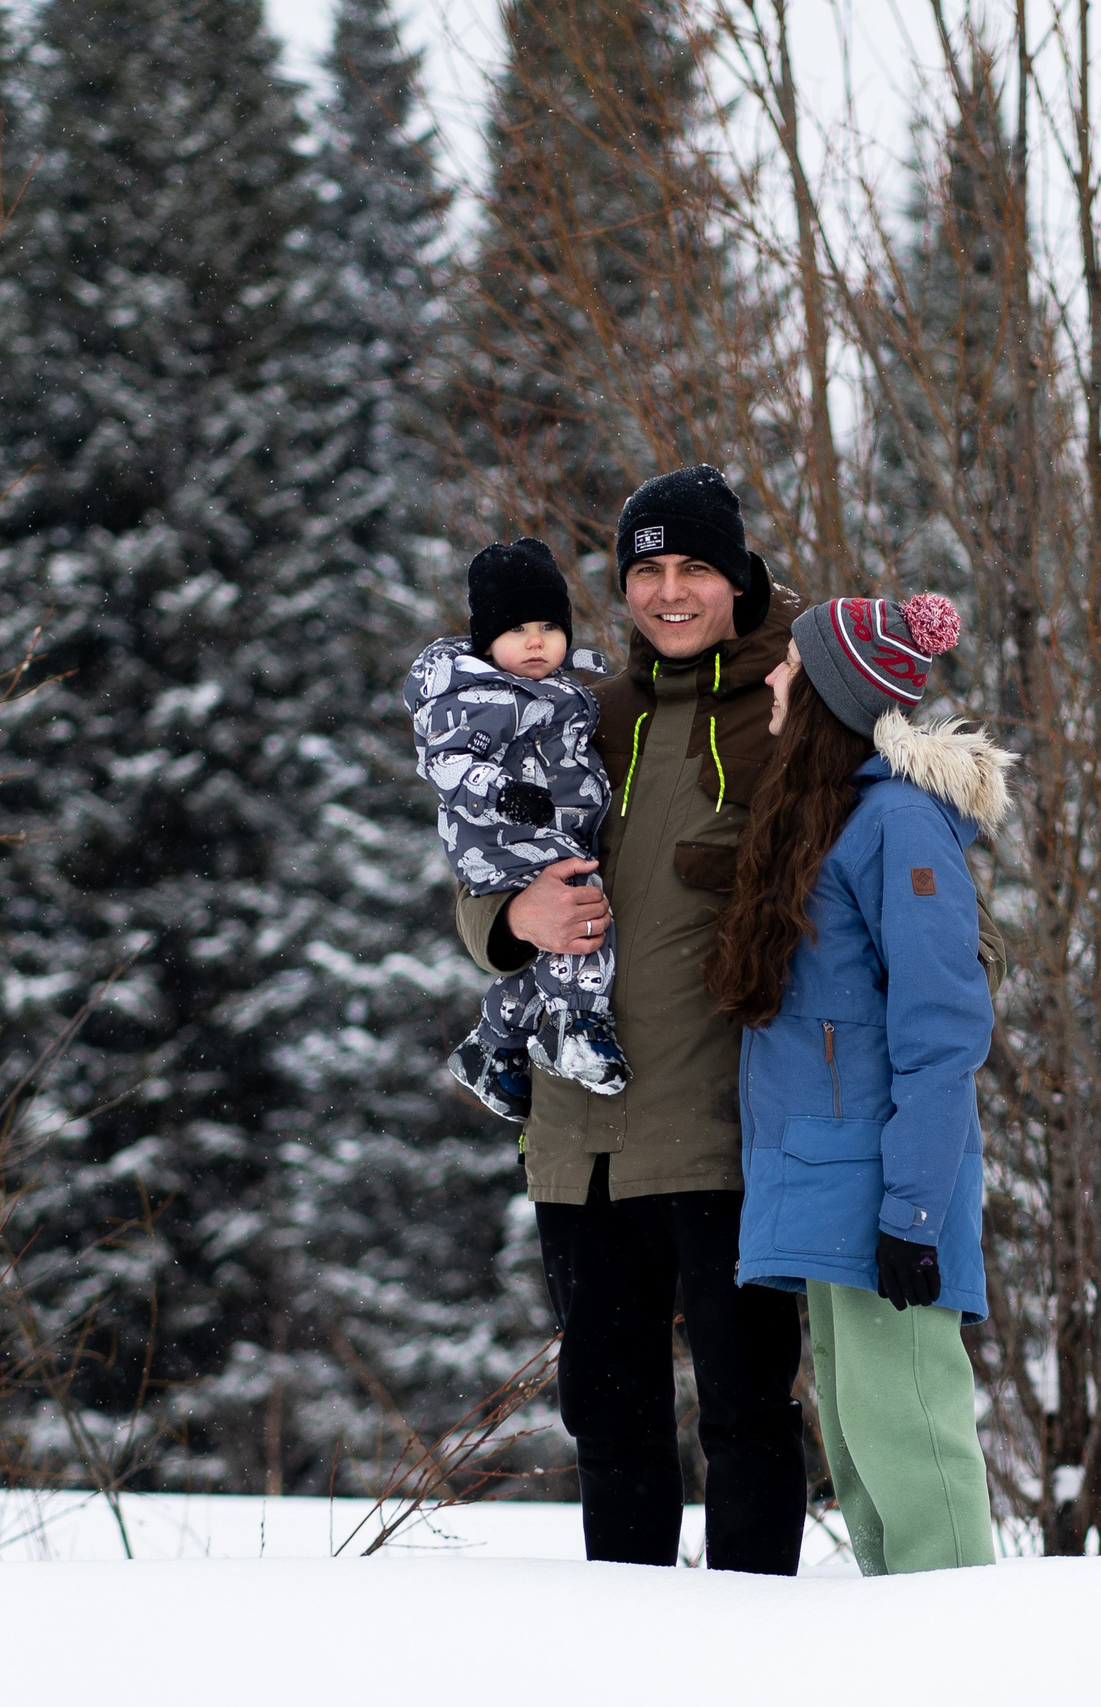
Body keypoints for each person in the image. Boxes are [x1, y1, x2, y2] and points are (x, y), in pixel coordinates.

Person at [452, 467, 808, 1575]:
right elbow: (481, 859)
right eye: (647, 571)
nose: (669, 592)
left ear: (739, 579)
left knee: (747, 1417)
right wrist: (513, 916)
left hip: (724, 1138)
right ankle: (625, 1646)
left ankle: (758, 1647)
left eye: (695, 567)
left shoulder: (795, 711)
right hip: (578, 1140)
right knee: (609, 1426)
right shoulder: (582, 714)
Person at [705, 591, 1010, 1575]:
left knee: (914, 1448)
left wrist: (912, 1213)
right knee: (864, 1449)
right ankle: (893, 1643)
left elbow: (942, 1031)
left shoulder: (899, 826)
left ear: (832, 696)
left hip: (886, 1197)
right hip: (833, 1188)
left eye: (792, 668)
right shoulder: (827, 819)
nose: (773, 679)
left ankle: (959, 1643)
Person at [405, 538, 626, 1120]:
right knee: (582, 910)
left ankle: (494, 1044)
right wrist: (500, 791)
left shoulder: (563, 689)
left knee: (548, 944)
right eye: (518, 629)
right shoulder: (480, 696)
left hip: (544, 832)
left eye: (550, 627)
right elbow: (446, 762)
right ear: (487, 640)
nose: (536, 641)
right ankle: (577, 1026)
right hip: (501, 836)